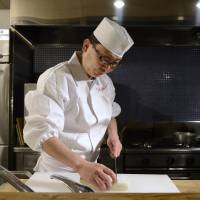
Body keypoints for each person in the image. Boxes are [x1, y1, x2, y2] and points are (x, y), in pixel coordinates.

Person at [23, 17, 134, 191]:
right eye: (103, 59)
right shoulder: (55, 79)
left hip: (90, 173)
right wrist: (81, 166)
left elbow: (110, 113)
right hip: (55, 176)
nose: (107, 68)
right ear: (86, 46)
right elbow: (43, 134)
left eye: (114, 63)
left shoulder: (105, 83)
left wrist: (113, 135)